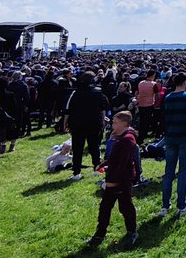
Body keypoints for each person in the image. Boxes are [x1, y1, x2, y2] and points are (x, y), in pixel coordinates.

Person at [88, 110, 139, 250]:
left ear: (124, 123)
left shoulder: (127, 139)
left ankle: (132, 232)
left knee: (125, 206)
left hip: (122, 179)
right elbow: (115, 158)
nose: (112, 125)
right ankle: (100, 233)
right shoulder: (122, 137)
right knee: (106, 206)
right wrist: (103, 164)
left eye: (115, 122)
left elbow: (122, 163)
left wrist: (112, 181)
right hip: (117, 177)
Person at [160, 72, 186, 217]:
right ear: (185, 81)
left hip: (171, 136)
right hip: (185, 136)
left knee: (169, 173)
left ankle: (165, 206)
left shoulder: (168, 97)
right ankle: (181, 205)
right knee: (183, 172)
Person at [65, 72, 109, 181]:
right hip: (94, 123)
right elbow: (103, 109)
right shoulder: (98, 93)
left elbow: (68, 110)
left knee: (77, 148)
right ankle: (97, 168)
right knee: (94, 147)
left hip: (78, 124)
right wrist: (103, 122)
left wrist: (65, 123)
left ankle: (76, 172)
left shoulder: (75, 93)